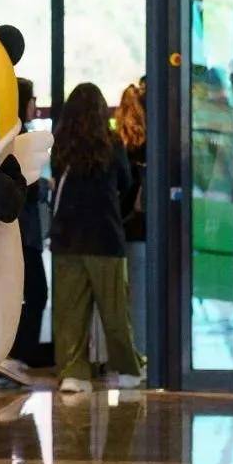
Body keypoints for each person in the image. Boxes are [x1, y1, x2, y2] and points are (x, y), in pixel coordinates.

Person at [50, 83, 144, 394]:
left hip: (67, 239)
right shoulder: (112, 143)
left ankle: (73, 374)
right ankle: (127, 370)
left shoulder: (61, 145)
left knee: (70, 313)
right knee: (115, 310)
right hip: (106, 237)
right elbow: (125, 183)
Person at [0, 77, 48, 388]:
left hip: (17, 232)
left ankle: (9, 357)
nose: (35, 105)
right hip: (24, 233)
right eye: (32, 99)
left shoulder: (5, 136)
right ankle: (15, 357)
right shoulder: (20, 140)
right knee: (35, 292)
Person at [116, 83, 147, 355]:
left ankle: (133, 349)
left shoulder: (119, 143)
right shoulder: (151, 142)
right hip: (145, 225)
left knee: (127, 294)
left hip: (123, 226)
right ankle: (143, 349)